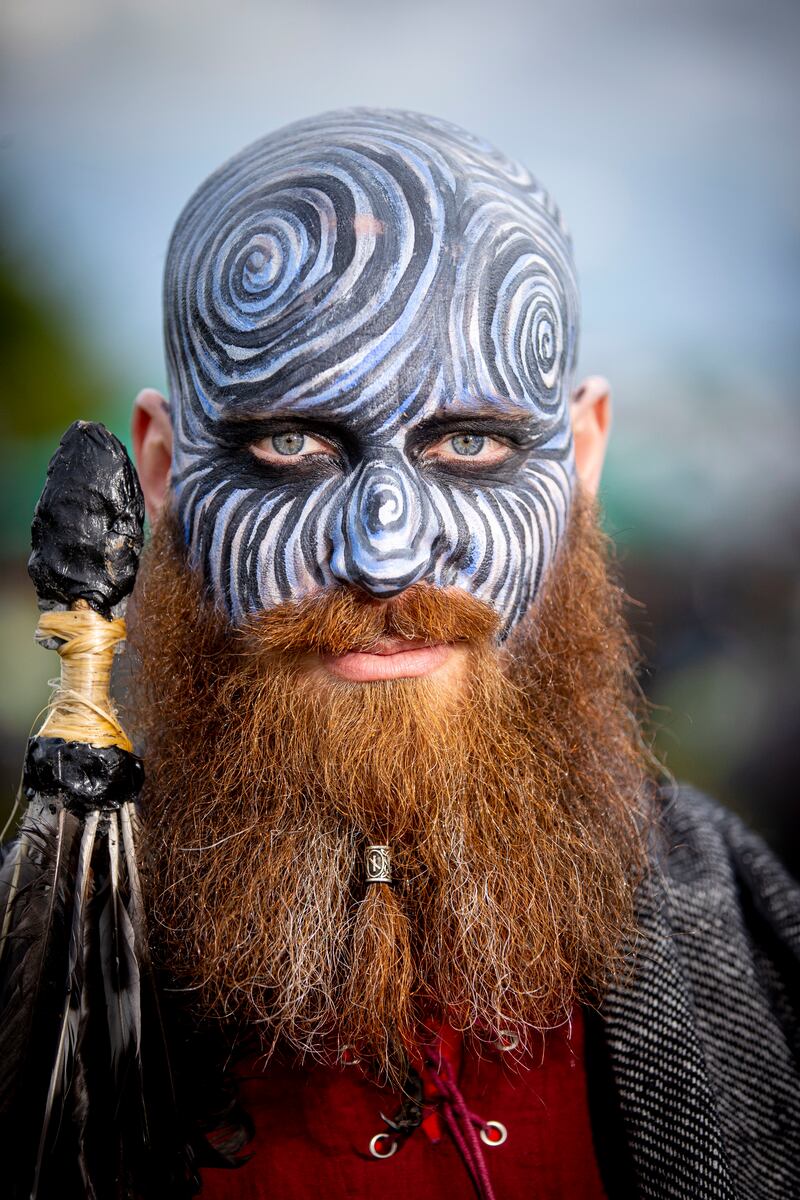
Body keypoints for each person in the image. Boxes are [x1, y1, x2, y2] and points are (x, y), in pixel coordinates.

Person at [10, 108, 800, 1199]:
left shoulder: (757, 940)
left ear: (578, 457)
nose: (381, 554)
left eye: (469, 443)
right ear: (162, 468)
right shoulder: (40, 958)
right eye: (290, 444)